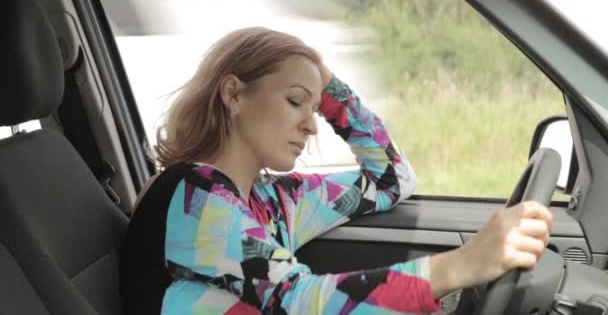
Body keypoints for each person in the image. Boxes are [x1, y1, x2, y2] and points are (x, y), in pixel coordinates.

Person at [119, 27, 553, 314]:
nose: (311, 125)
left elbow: (390, 179)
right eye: (295, 101)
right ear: (234, 94)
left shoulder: (273, 200)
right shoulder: (194, 194)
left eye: (314, 108)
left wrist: (328, 88)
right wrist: (461, 265)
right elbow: (298, 300)